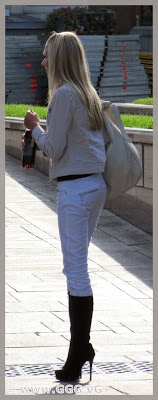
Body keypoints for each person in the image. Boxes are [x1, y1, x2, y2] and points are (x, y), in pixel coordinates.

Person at [24, 31, 107, 382]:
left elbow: (54, 148)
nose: (43, 61)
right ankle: (81, 349)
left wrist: (35, 128)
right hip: (96, 186)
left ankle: (78, 354)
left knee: (76, 271)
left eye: (46, 55)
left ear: (58, 58)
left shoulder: (63, 95)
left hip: (74, 190)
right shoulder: (89, 94)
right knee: (78, 267)